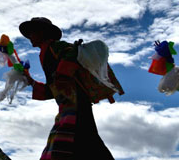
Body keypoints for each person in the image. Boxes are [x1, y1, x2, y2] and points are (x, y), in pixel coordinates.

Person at [20, 17, 114, 160]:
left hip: (77, 101)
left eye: (32, 32)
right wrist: (31, 82)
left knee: (79, 139)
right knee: (79, 140)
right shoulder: (45, 53)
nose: (30, 37)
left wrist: (62, 73)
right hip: (67, 105)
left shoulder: (55, 46)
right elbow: (53, 87)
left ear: (42, 33)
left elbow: (73, 52)